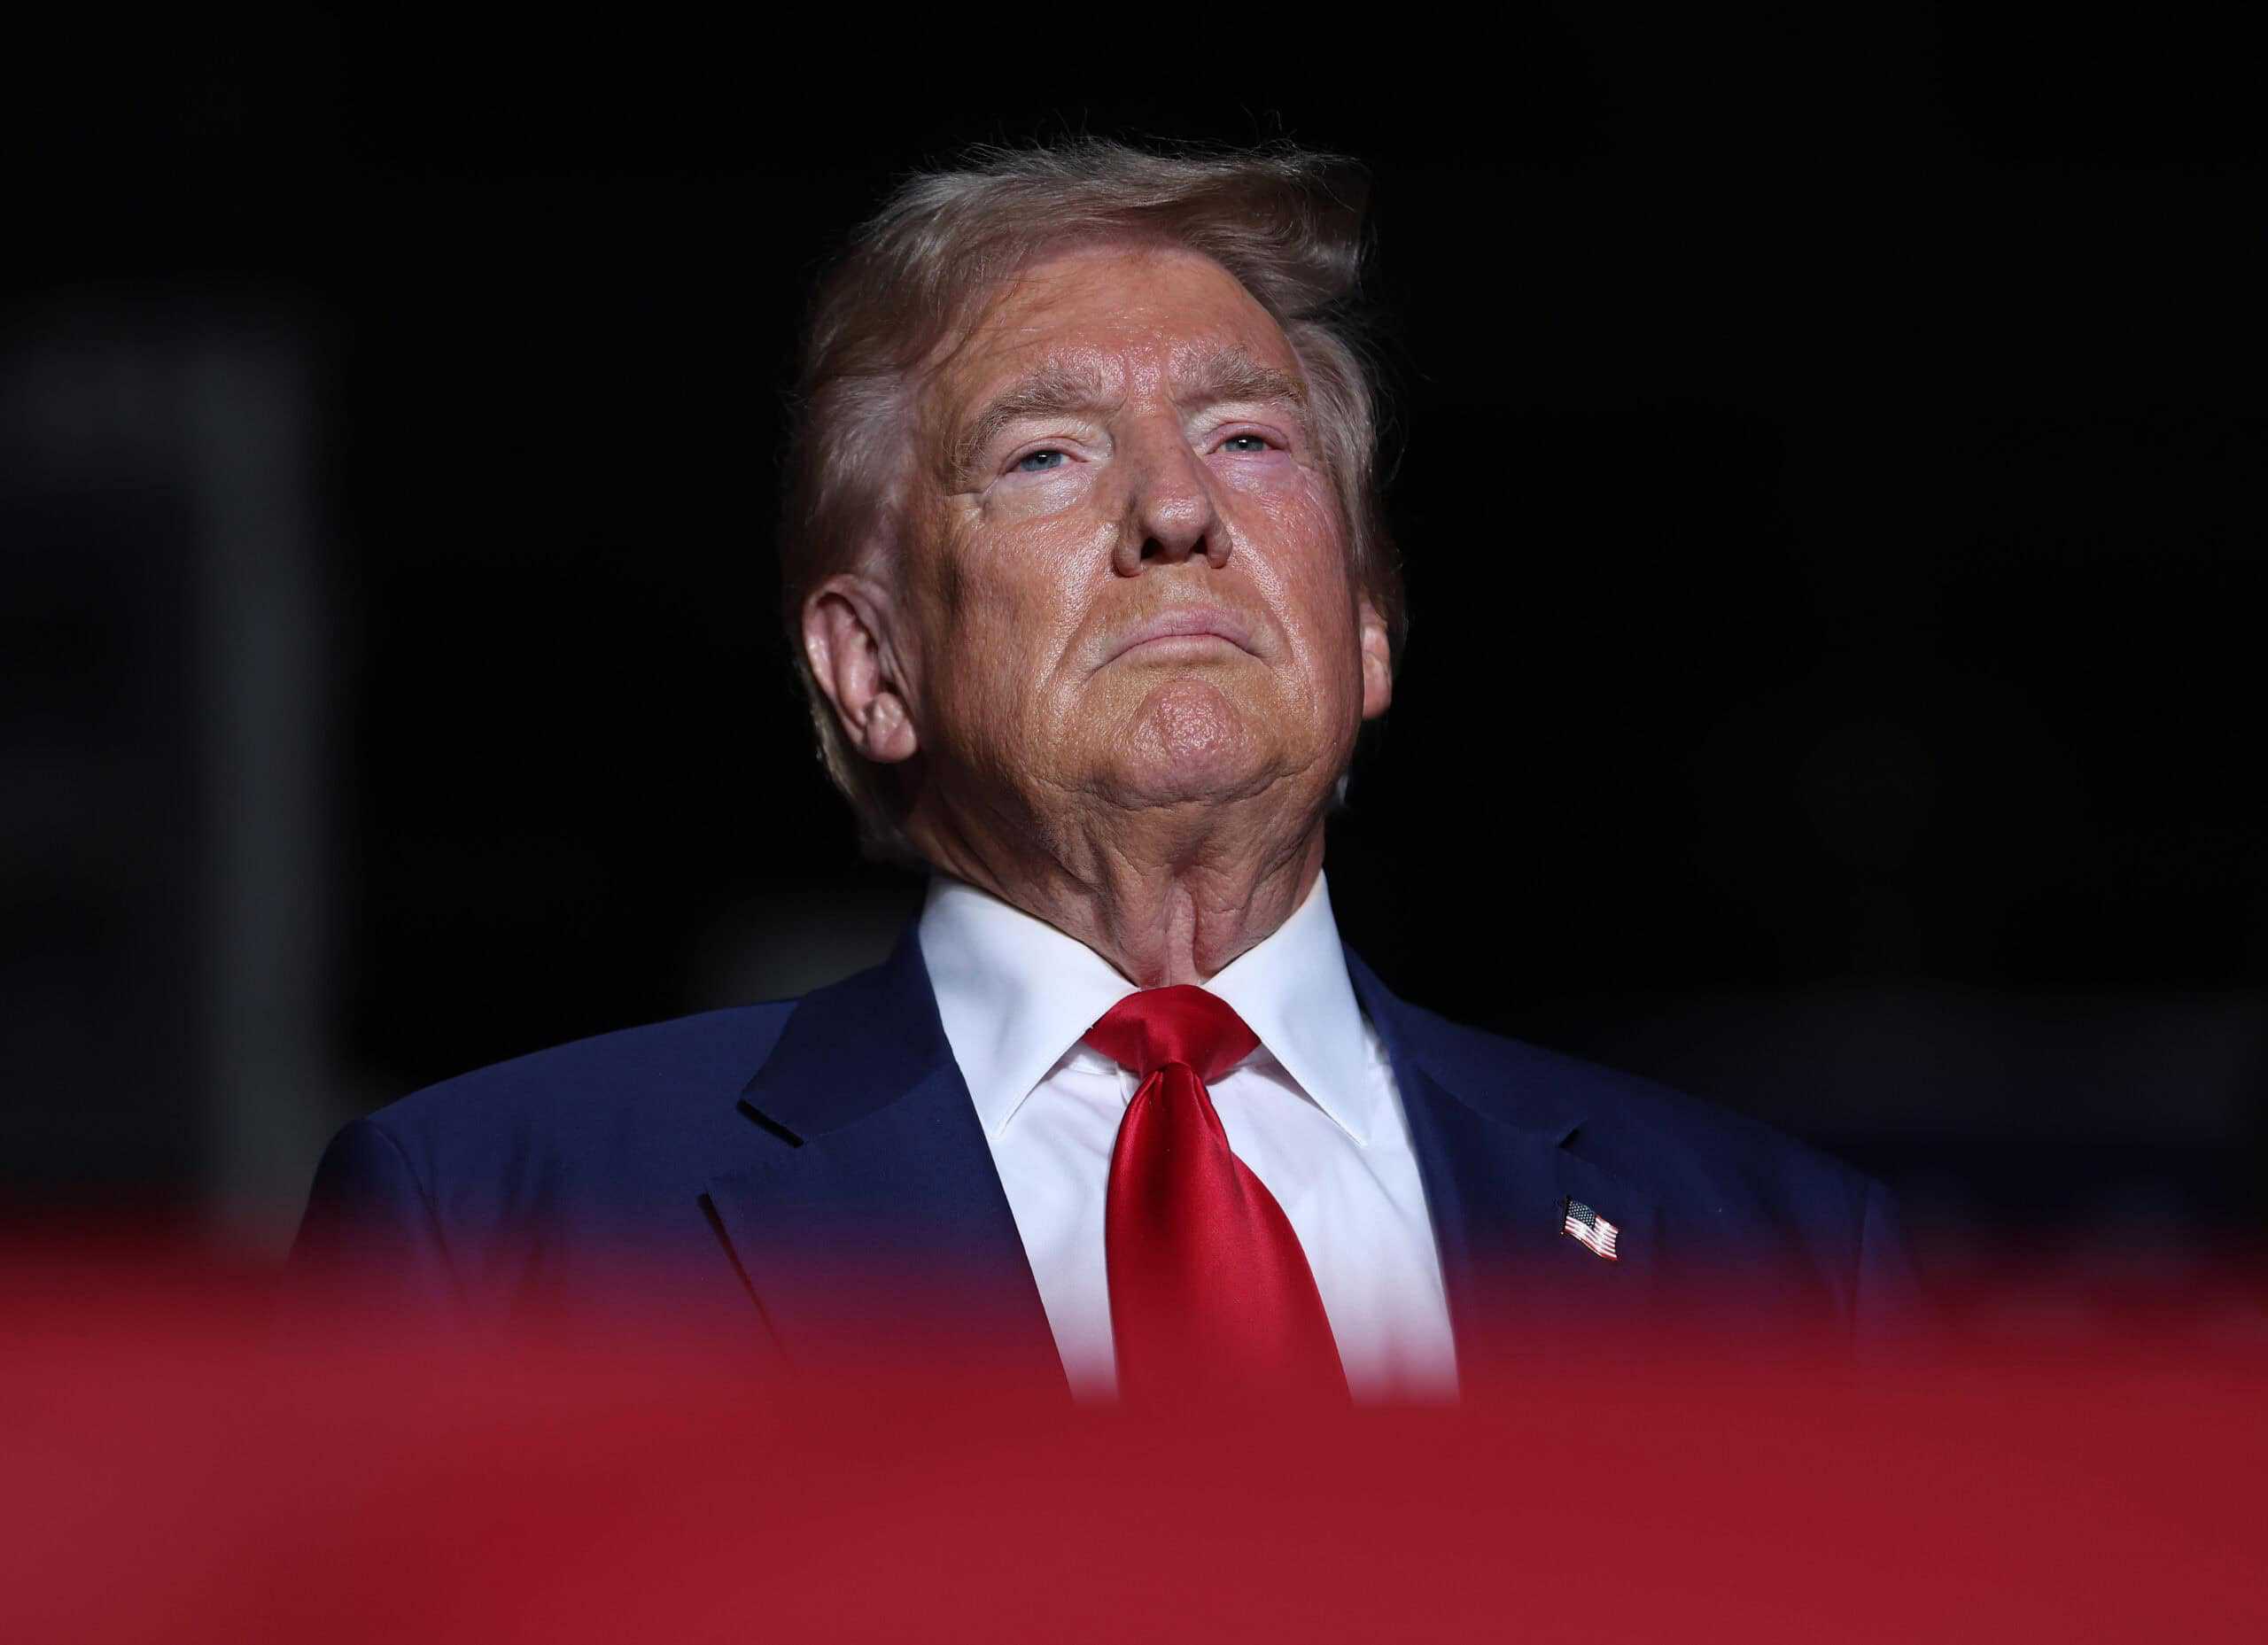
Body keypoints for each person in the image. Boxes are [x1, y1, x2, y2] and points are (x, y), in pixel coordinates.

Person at [292, 141, 1921, 1401]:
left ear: (1364, 630)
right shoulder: (502, 1224)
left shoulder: (1772, 1258)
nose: (1176, 509)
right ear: (873, 668)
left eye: (1250, 438)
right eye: (1047, 452)